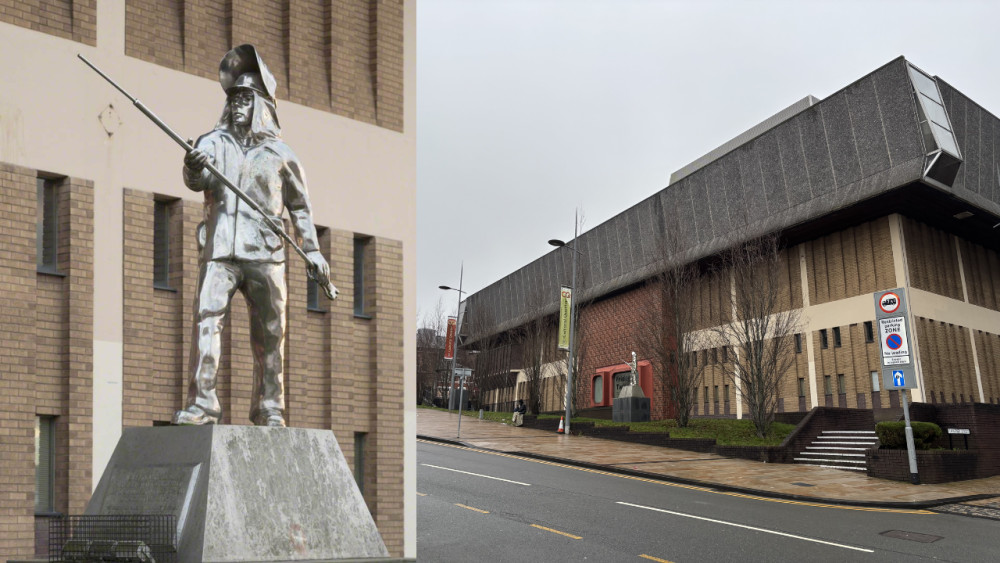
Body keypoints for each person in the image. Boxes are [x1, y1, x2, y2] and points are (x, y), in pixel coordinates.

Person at [172, 44, 332, 427]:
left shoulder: (282, 155)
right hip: (221, 250)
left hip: (266, 255)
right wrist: (193, 167)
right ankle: (202, 405)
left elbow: (300, 210)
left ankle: (269, 407)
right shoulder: (212, 142)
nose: (238, 104)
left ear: (262, 104)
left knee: (271, 336)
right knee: (206, 321)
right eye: (234, 98)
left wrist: (313, 251)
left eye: (246, 97)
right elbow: (199, 179)